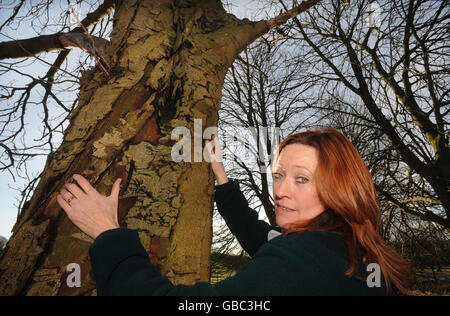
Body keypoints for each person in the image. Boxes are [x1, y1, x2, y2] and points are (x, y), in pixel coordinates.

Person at [57, 127, 411, 295]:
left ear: (340, 188)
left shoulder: (307, 258)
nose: (280, 191)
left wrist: (109, 235)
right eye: (279, 175)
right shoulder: (354, 250)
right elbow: (259, 235)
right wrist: (221, 177)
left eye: (301, 179)